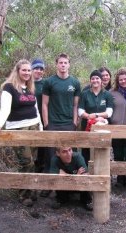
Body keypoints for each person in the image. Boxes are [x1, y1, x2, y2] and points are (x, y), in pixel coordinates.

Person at [0, 59, 43, 207]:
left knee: (33, 160)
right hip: (18, 129)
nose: (27, 73)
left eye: (28, 70)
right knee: (26, 161)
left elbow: (36, 108)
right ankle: (23, 194)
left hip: (33, 127)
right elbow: (5, 109)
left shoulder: (30, 87)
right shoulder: (9, 87)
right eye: (24, 70)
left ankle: (31, 190)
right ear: (17, 71)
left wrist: (40, 127)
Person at [41, 53, 81, 197]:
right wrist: (46, 124)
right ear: (56, 64)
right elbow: (44, 104)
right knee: (51, 155)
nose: (63, 65)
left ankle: (71, 187)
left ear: (69, 64)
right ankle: (49, 186)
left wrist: (74, 122)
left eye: (65, 63)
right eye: (60, 63)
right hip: (53, 123)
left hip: (68, 124)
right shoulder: (49, 82)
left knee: (70, 155)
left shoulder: (75, 83)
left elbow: (76, 105)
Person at [78, 70, 114, 165]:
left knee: (102, 148)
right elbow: (80, 111)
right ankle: (86, 171)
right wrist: (89, 117)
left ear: (101, 80)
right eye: (93, 78)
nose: (95, 80)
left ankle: (102, 172)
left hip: (102, 126)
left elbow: (109, 112)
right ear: (90, 81)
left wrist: (97, 116)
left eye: (97, 78)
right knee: (86, 149)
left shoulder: (107, 94)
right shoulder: (85, 94)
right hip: (87, 125)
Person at [50, 147, 93, 211]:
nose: (68, 154)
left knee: (84, 180)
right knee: (58, 179)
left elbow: (85, 175)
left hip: (78, 185)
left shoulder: (78, 157)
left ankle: (87, 201)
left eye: (70, 150)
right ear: (58, 153)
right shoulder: (55, 159)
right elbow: (53, 176)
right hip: (64, 186)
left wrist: (66, 175)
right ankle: (61, 199)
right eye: (64, 152)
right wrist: (76, 176)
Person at [31, 58, 46, 174]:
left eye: (41, 69)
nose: (39, 71)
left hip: (43, 118)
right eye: (36, 68)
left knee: (42, 146)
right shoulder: (26, 82)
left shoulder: (46, 83)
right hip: (29, 119)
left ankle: (41, 167)